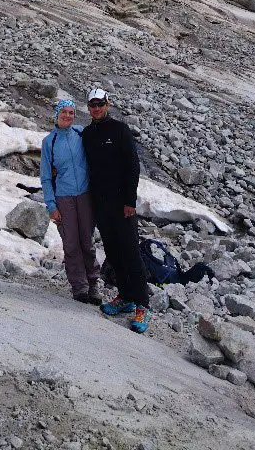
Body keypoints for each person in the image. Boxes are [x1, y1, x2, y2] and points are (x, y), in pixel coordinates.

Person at [82, 86, 151, 334]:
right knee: (113, 252)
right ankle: (125, 297)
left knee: (131, 252)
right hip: (101, 205)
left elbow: (133, 167)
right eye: (93, 105)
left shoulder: (120, 130)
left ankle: (143, 304)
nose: (97, 108)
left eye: (100, 104)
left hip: (123, 205)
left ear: (108, 104)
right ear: (88, 108)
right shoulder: (88, 134)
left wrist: (130, 202)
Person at [40, 99, 101, 305]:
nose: (67, 115)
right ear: (57, 114)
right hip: (63, 197)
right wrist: (51, 205)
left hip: (85, 195)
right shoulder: (50, 142)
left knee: (87, 241)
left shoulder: (80, 133)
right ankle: (79, 287)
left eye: (71, 112)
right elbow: (46, 177)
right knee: (71, 243)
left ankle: (93, 284)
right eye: (64, 112)